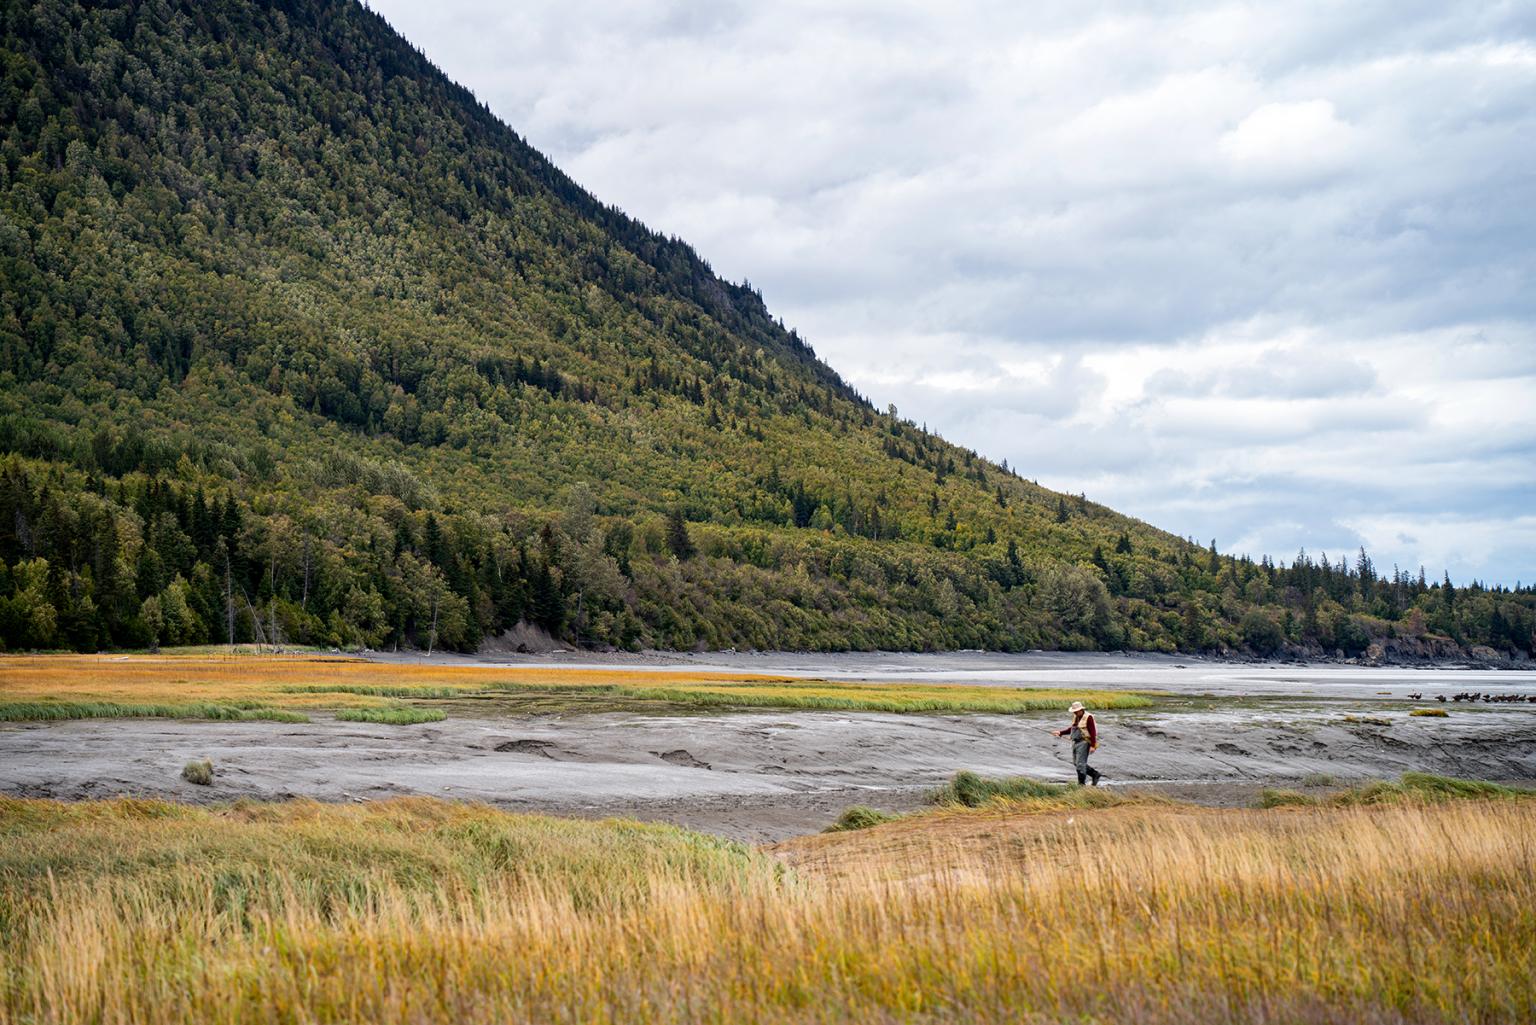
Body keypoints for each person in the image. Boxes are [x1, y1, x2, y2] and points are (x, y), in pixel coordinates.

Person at [1053, 700, 1101, 786]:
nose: (1074, 713)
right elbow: (1071, 729)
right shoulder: (1076, 717)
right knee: (1076, 763)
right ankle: (1095, 774)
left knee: (1080, 764)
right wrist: (1060, 732)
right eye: (1074, 711)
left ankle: (1081, 784)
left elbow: (1093, 732)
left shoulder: (1088, 717)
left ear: (1081, 710)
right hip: (1075, 742)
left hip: (1084, 743)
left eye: (1076, 711)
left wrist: (1093, 746)